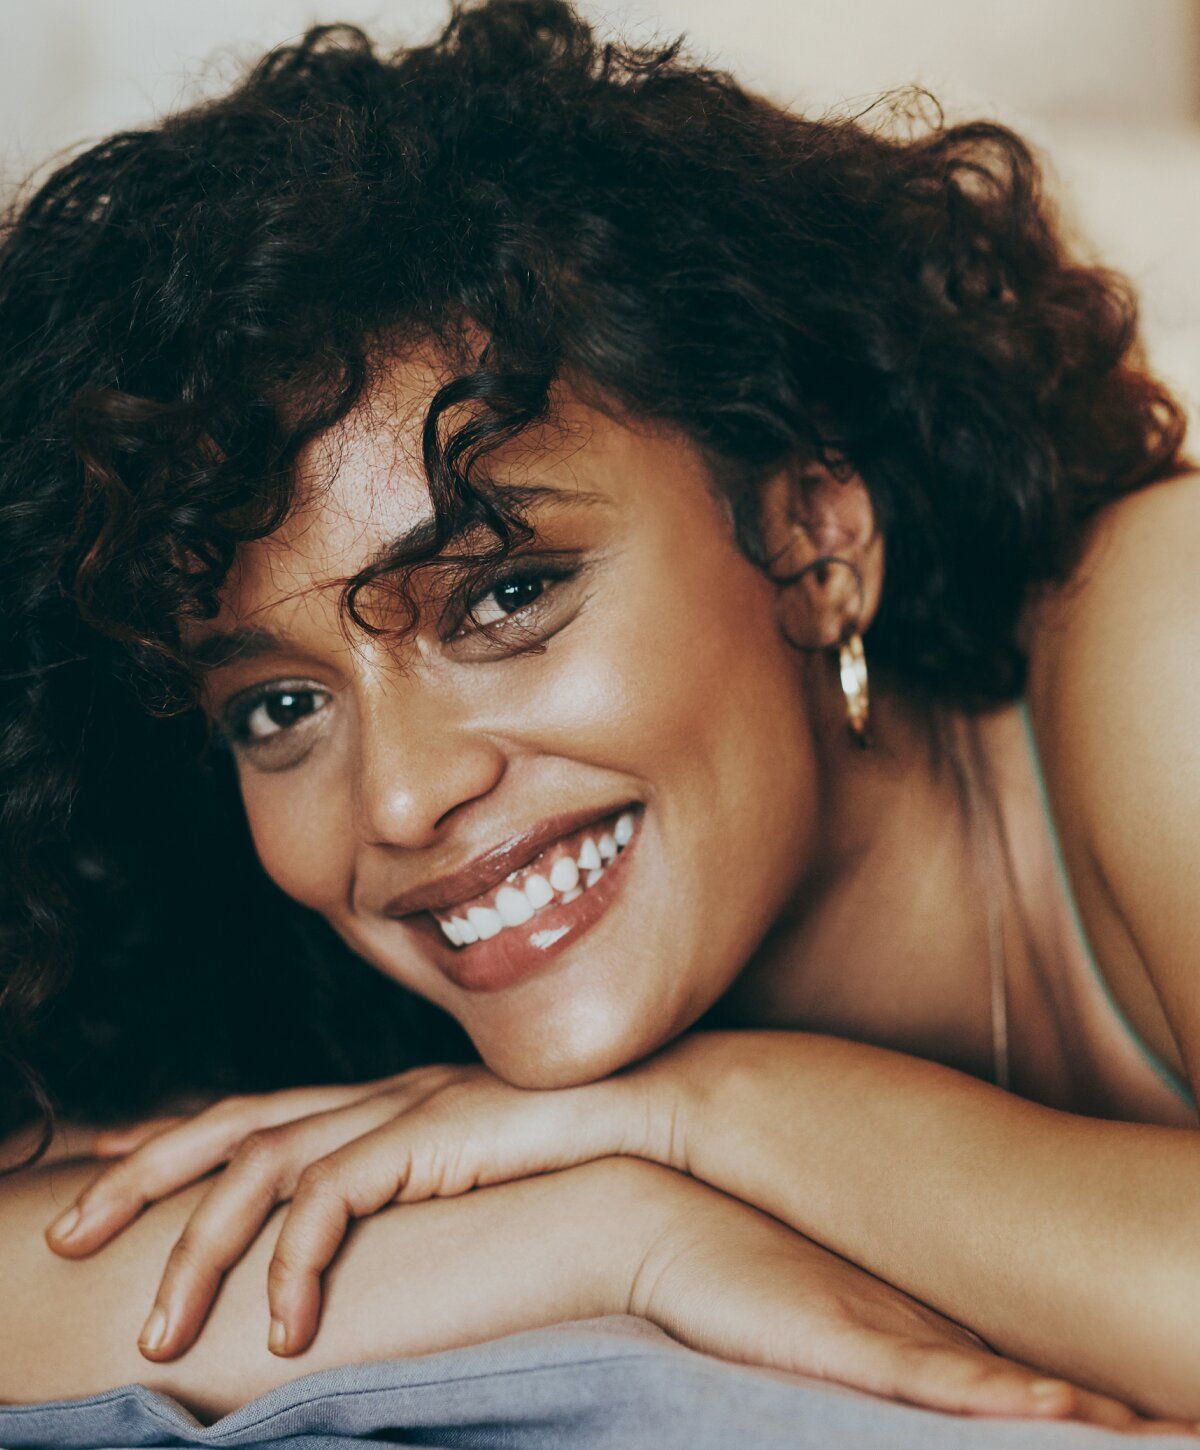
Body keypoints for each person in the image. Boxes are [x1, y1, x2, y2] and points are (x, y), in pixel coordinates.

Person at [2, 0, 1198, 1434]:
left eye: (505, 596)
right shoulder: (361, 984)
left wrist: (710, 1110)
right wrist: (615, 1235)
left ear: (812, 534)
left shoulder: (1164, 642)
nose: (399, 800)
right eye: (279, 706)